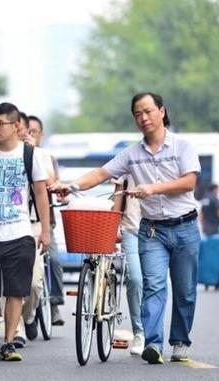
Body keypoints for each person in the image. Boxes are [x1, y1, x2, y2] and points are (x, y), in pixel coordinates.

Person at [51, 92, 201, 365]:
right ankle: (153, 344)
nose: (143, 118)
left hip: (185, 227)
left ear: (162, 111)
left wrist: (152, 188)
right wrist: (70, 185)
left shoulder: (182, 147)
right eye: (138, 114)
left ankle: (179, 340)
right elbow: (100, 174)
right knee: (152, 285)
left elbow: (189, 182)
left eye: (148, 111)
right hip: (152, 231)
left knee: (185, 290)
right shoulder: (131, 155)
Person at [0, 102, 50, 362]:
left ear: (16, 126)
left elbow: (40, 193)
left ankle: (9, 341)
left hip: (20, 232)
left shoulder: (31, 155)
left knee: (16, 290)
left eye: (0, 123)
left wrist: (45, 231)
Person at [27, 115, 65, 326]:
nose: (30, 135)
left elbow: (53, 184)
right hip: (24, 221)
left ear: (41, 135)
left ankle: (55, 303)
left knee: (54, 259)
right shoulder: (17, 155)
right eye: (27, 131)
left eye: (34, 132)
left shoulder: (45, 156)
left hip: (44, 220)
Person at [112, 175, 145, 355]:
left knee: (154, 284)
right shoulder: (125, 170)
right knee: (135, 279)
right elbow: (117, 207)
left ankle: (154, 335)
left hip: (157, 231)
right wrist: (113, 232)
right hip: (130, 232)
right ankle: (139, 332)